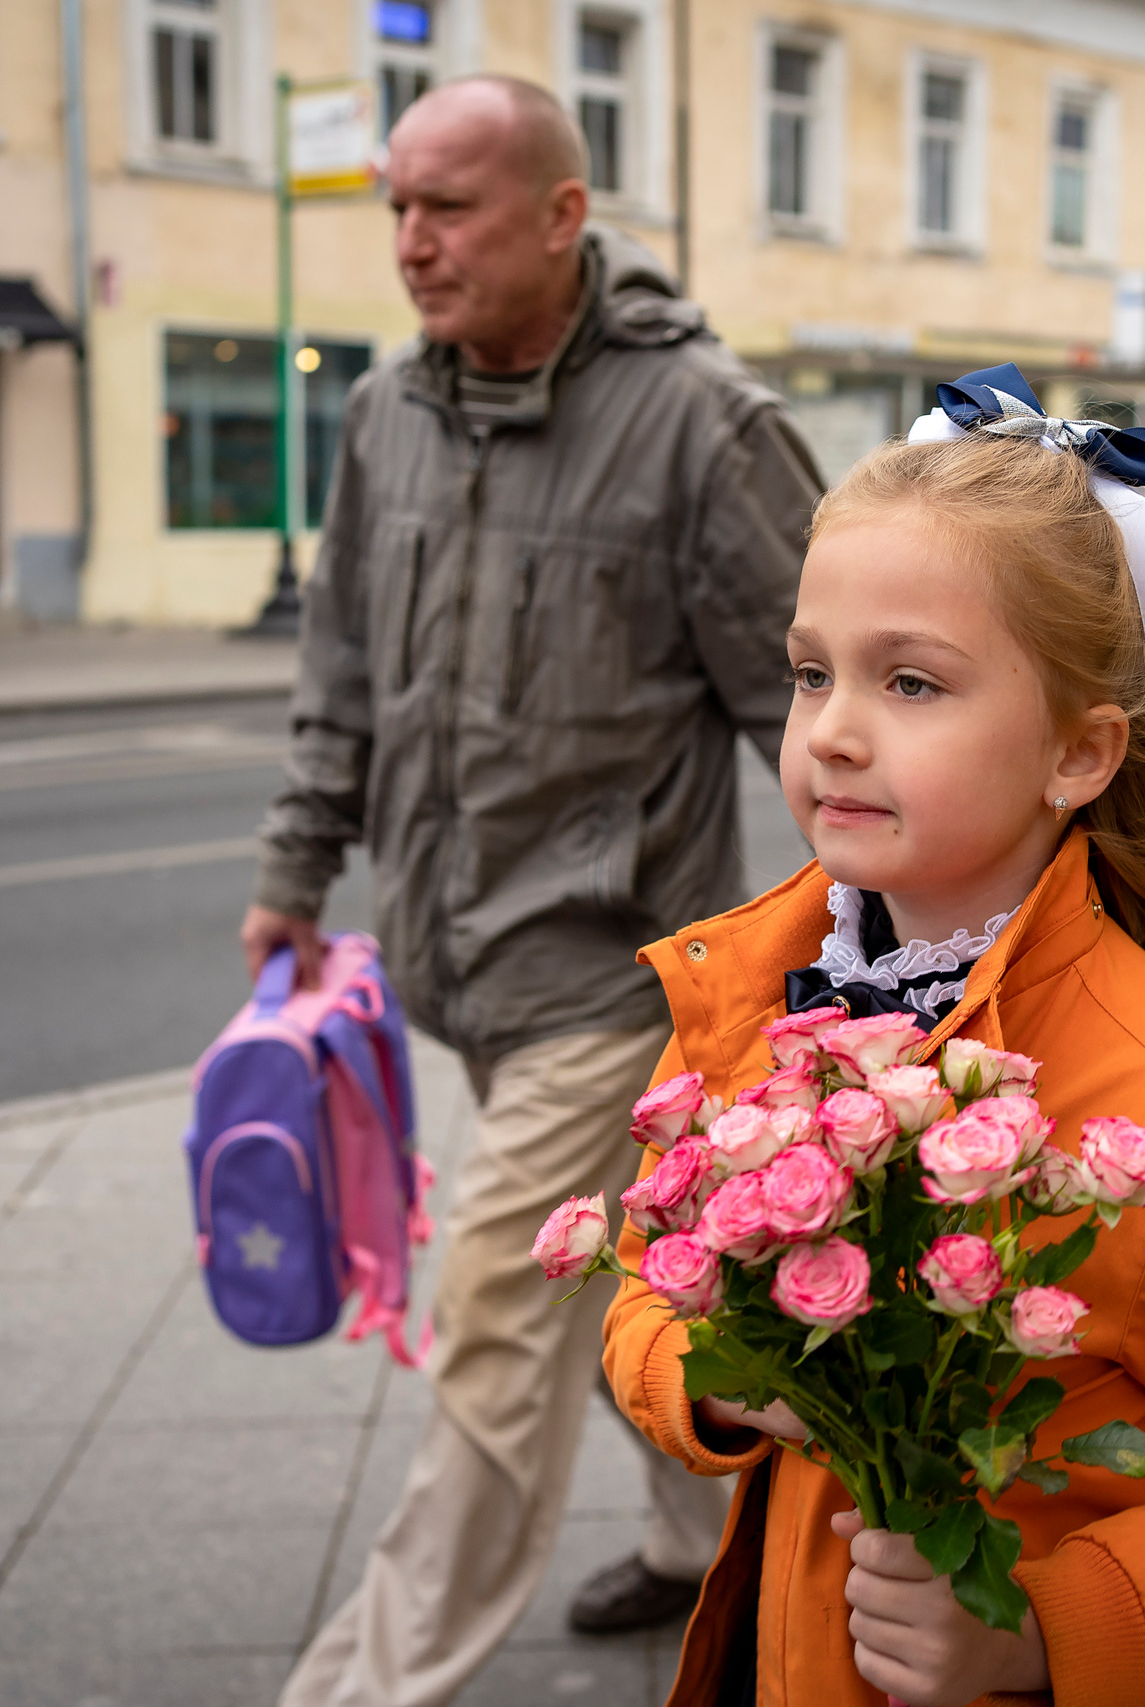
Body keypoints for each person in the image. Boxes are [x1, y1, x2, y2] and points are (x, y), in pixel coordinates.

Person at [602, 371, 1145, 1706]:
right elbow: (644, 1283)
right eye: (811, 673)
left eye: (911, 681)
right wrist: (729, 1381)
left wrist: (1033, 1631)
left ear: (1079, 753)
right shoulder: (752, 1002)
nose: (832, 731)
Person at [246, 76, 820, 1707]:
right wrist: (297, 862)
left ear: (564, 215)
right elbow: (341, 664)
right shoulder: (387, 413)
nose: (412, 243)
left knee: (500, 1296)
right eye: (397, 207)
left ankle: (370, 1681)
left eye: (450, 206)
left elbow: (822, 703)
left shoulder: (701, 425)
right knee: (649, 1258)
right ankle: (705, 1540)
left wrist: (876, 944)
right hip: (466, 962)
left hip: (616, 968)